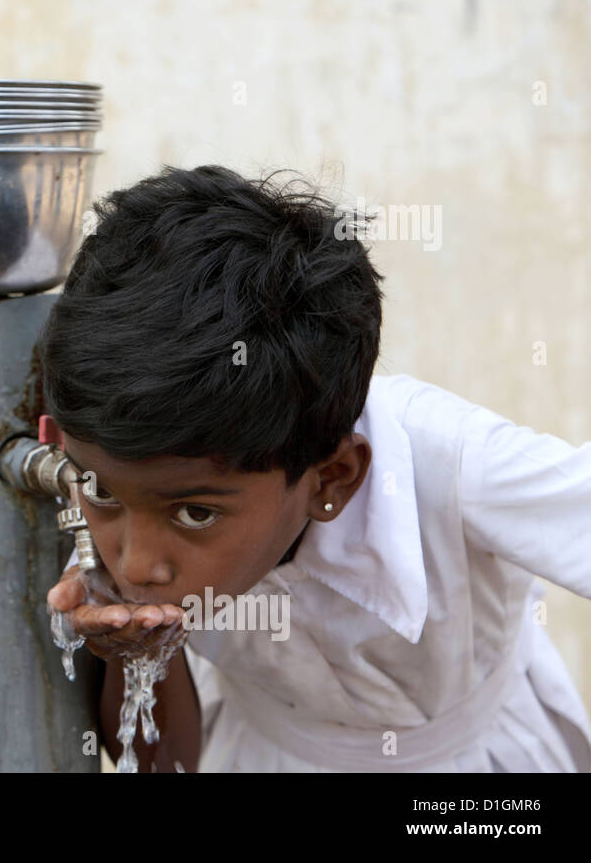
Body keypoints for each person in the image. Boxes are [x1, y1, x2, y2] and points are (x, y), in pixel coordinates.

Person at [42, 165, 591, 773]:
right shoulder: (118, 546)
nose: (137, 563)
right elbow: (164, 765)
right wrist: (135, 654)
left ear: (331, 479)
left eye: (195, 512)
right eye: (98, 489)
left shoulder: (445, 461)